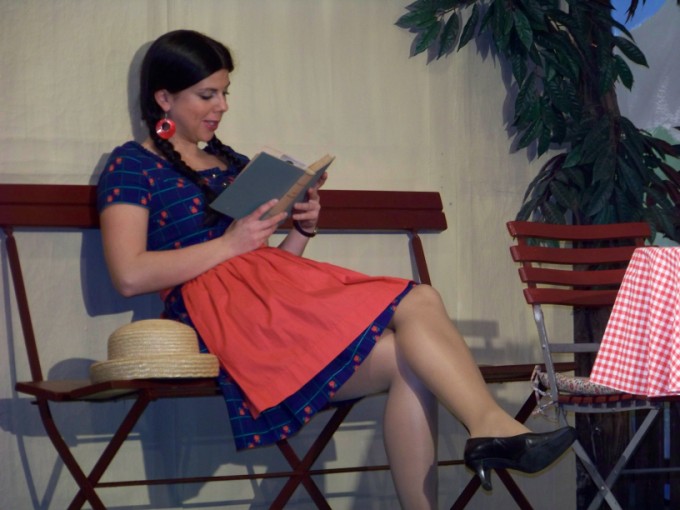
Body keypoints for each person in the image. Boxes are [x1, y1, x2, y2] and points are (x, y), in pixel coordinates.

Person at [97, 29, 576, 509]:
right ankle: (490, 427)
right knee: (420, 300)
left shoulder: (231, 162)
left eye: (224, 93)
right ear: (164, 98)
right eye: (207, 95)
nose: (221, 106)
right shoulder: (131, 164)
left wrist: (302, 229)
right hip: (220, 325)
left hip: (271, 309)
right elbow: (129, 275)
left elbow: (263, 272)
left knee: (411, 354)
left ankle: (473, 446)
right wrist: (229, 243)